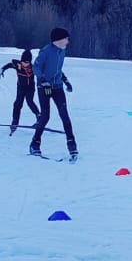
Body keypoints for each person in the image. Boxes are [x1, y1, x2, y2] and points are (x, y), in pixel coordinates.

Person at [31, 27, 77, 161]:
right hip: (44, 87)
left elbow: (58, 69)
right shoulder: (46, 51)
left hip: (57, 86)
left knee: (64, 116)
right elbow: (36, 67)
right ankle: (34, 144)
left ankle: (72, 146)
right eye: (66, 39)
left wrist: (66, 81)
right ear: (59, 40)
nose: (68, 42)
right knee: (45, 116)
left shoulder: (62, 51)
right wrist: (42, 79)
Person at [0, 48, 39, 136]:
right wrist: (1, 70)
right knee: (17, 104)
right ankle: (15, 121)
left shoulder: (33, 68)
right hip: (20, 87)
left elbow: (41, 74)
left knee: (30, 102)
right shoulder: (18, 65)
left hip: (30, 88)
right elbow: (9, 65)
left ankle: (39, 117)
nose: (25, 64)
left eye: (27, 63)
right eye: (23, 62)